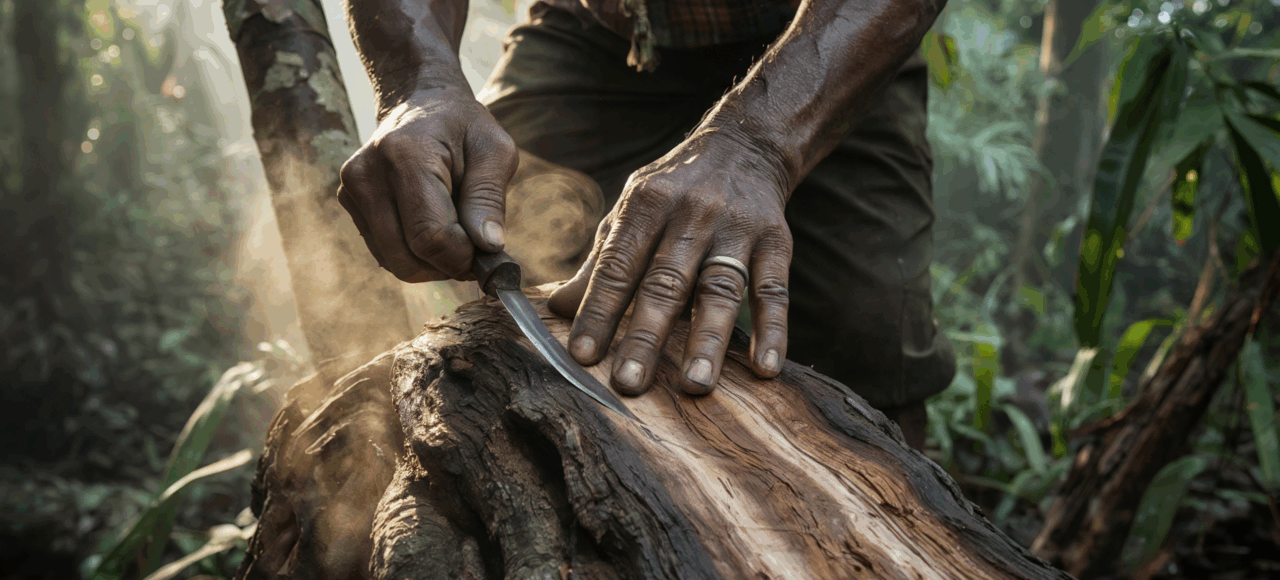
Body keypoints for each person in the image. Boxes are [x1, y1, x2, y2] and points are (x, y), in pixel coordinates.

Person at [337, 0, 956, 448]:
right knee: (476, 216)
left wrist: (758, 145)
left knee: (870, 333)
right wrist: (420, 84)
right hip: (599, 30)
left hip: (832, 35)